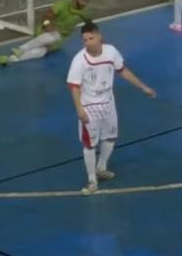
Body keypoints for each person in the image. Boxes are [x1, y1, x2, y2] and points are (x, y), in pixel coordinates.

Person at [66, 22, 156, 196]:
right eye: (84, 40)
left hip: (108, 103)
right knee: (89, 144)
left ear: (99, 36)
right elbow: (74, 86)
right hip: (89, 106)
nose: (88, 43)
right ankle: (92, 180)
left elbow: (123, 71)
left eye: (91, 38)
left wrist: (143, 87)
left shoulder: (111, 52)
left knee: (111, 136)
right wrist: (79, 110)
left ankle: (101, 167)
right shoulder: (79, 60)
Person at [0, 0, 93, 65]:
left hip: (60, 38)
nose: (83, 3)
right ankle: (21, 49)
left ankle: (10, 59)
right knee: (52, 36)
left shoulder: (85, 12)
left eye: (86, 1)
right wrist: (48, 25)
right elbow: (45, 17)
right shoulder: (61, 4)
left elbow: (90, 24)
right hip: (44, 30)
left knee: (42, 51)